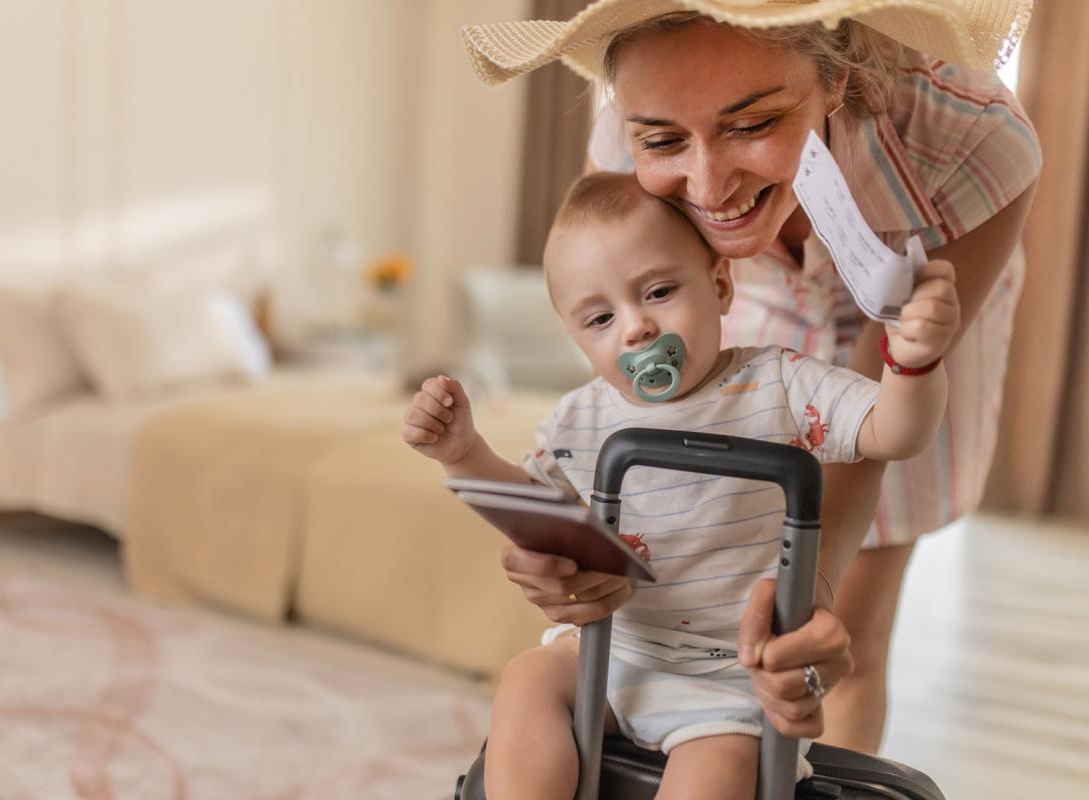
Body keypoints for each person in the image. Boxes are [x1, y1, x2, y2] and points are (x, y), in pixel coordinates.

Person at [461, 0, 1041, 754]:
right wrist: (568, 538)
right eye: (664, 138)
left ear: (834, 80)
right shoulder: (624, 135)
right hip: (739, 307)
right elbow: (622, 356)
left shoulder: (973, 142)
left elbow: (869, 427)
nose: (707, 187)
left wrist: (814, 587)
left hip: (914, 339)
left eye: (754, 123)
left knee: (842, 637)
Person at [402, 171, 959, 798]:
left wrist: (913, 362)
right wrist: (465, 454)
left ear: (720, 285)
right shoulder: (578, 418)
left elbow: (894, 432)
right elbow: (535, 509)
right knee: (528, 678)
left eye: (660, 291)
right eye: (600, 318)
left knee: (717, 770)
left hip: (730, 678)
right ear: (576, 339)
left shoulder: (780, 385)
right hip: (613, 649)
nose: (636, 328)